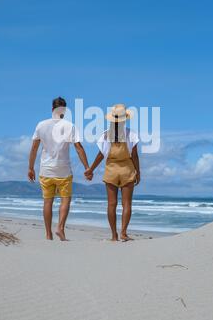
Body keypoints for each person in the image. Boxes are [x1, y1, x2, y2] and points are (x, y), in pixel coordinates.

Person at [28, 97, 91, 241]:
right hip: (63, 170)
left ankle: (48, 234)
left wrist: (31, 168)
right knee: (65, 199)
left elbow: (34, 148)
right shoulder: (69, 126)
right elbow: (78, 148)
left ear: (52, 109)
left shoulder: (41, 125)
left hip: (46, 170)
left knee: (47, 201)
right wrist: (87, 167)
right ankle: (60, 228)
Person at [85, 104, 140, 242]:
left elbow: (100, 155)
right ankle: (124, 233)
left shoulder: (105, 135)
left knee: (111, 204)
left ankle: (114, 236)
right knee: (127, 204)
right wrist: (138, 172)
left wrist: (91, 169)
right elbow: (135, 155)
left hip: (111, 170)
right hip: (127, 169)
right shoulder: (131, 134)